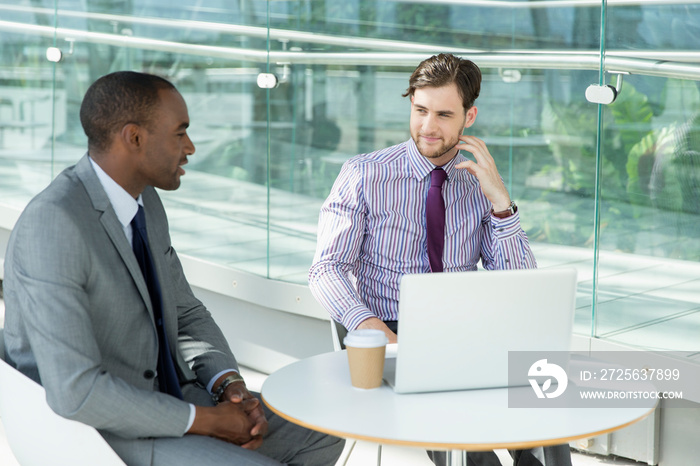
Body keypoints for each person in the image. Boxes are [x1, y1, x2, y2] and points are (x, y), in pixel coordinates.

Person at [3, 71, 344, 466]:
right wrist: (206, 421)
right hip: (103, 433)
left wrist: (228, 385)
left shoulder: (145, 201)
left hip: (175, 396)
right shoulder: (54, 224)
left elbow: (185, 312)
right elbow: (76, 391)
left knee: (324, 426)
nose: (191, 147)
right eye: (179, 133)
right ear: (134, 138)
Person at [309, 54, 569, 466]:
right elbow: (326, 270)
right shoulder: (364, 175)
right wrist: (370, 327)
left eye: (444, 114)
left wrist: (501, 204)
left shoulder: (477, 182)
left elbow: (520, 285)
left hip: (463, 330)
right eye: (420, 110)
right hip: (388, 328)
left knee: (542, 394)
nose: (428, 127)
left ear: (470, 117)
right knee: (464, 429)